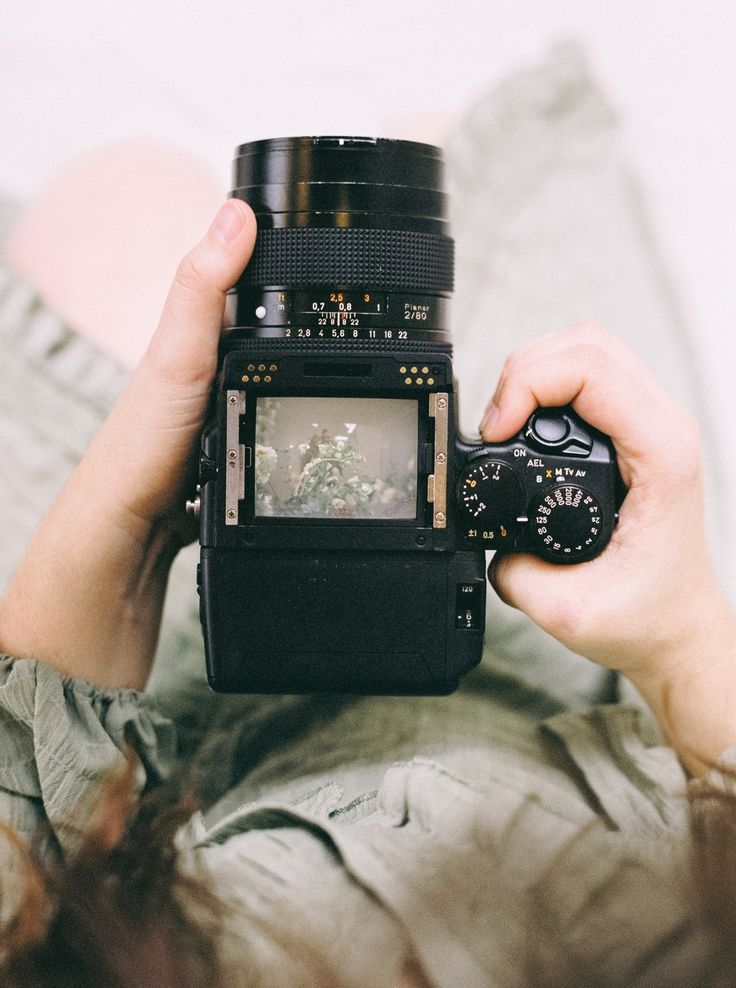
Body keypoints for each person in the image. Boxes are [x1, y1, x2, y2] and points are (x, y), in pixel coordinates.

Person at [1, 197, 736, 986]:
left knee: (115, 199)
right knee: (455, 171)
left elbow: (28, 894)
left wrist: (119, 524)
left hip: (150, 693)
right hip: (556, 670)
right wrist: (684, 648)